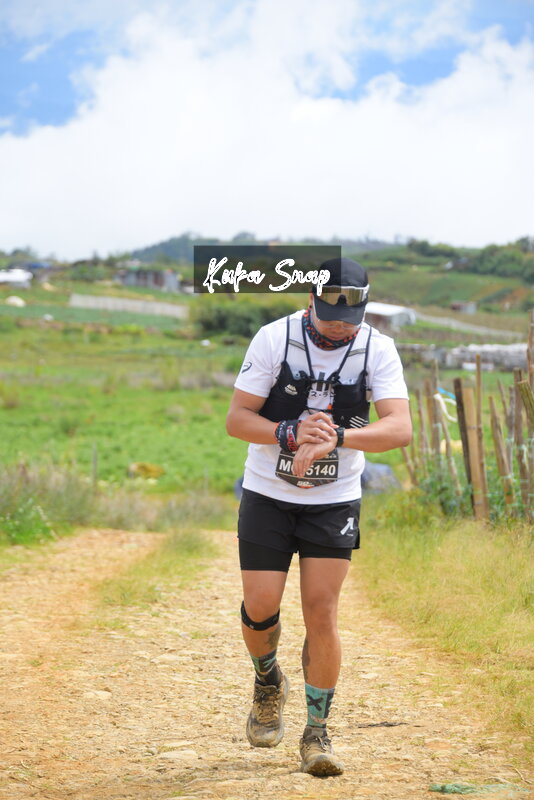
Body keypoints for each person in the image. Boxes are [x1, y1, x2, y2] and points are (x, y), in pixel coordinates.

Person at [226, 257, 411, 776]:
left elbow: (400, 429)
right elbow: (237, 419)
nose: (338, 326)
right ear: (310, 300)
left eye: (349, 318)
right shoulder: (274, 338)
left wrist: (339, 437)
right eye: (329, 315)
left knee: (321, 610)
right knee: (260, 605)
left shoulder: (377, 348)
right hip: (267, 492)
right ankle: (268, 682)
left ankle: (316, 731)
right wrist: (287, 432)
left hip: (333, 500)